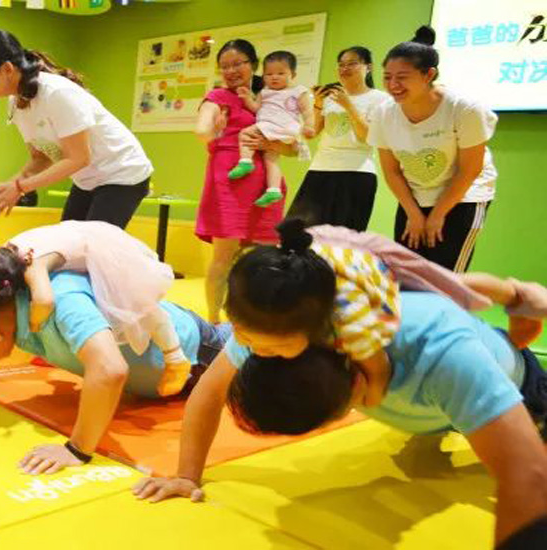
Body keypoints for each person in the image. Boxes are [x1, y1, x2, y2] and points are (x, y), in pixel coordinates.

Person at [223, 293, 547, 550]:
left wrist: (516, 294)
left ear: (354, 382)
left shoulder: (444, 354)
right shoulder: (275, 341)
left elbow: (528, 476)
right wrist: (194, 474)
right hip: (435, 408)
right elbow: (211, 391)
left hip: (519, 387)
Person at [0, 266, 230, 475]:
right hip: (164, 386)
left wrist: (77, 450)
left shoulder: (60, 299)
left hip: (200, 353)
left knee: (254, 341)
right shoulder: (4, 312)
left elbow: (110, 371)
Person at [0, 221, 192, 396]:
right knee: (132, 304)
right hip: (83, 241)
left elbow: (44, 301)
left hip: (106, 249)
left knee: (139, 304)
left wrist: (35, 322)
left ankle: (175, 357)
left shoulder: (31, 265)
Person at [0, 29, 153, 229]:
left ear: (6, 68)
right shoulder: (16, 102)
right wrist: (12, 185)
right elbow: (41, 157)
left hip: (122, 172)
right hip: (87, 179)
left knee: (92, 241)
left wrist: (20, 187)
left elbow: (79, 158)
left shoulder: (57, 93)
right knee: (66, 240)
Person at [369, 26, 497, 272]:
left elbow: (469, 170)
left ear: (429, 75)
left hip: (464, 195)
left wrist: (438, 215)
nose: (393, 85)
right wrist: (413, 214)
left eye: (402, 77)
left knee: (445, 278)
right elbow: (392, 171)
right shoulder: (384, 113)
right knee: (406, 274)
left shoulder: (465, 109)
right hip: (415, 196)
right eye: (387, 77)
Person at [194, 39, 296, 323]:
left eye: (237, 64)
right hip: (229, 181)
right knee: (223, 257)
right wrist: (214, 132)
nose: (231, 71)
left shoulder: (268, 98)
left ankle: (255, 319)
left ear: (253, 65)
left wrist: (269, 143)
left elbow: (291, 147)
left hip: (264, 184)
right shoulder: (217, 97)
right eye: (224, 66)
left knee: (265, 256)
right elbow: (201, 130)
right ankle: (213, 322)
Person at [287, 46, 391, 231]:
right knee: (299, 232)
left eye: (352, 64)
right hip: (320, 168)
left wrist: (349, 106)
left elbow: (368, 138)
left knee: (345, 236)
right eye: (341, 64)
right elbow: (313, 133)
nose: (345, 68)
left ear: (368, 67)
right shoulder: (331, 97)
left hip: (356, 172)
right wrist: (318, 104)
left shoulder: (380, 99)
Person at [229, 50, 314, 208]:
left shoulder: (298, 91)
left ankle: (245, 161)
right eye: (269, 74)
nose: (274, 77)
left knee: (245, 133)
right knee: (271, 158)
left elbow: (307, 111)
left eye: (280, 73)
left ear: (293, 74)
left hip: (278, 126)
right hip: (275, 129)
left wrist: (309, 125)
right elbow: (256, 108)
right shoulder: (265, 92)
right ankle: (274, 189)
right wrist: (247, 98)